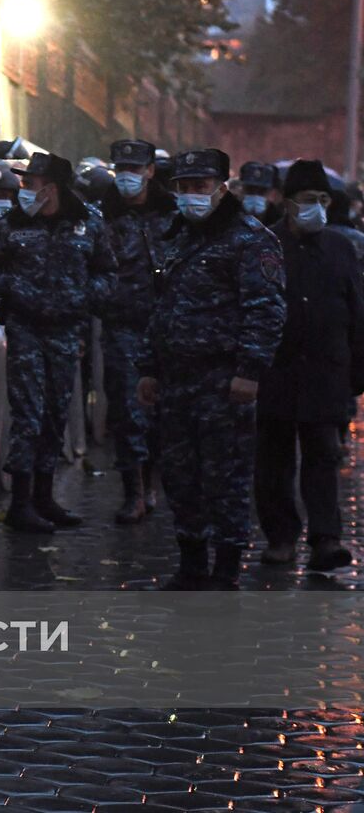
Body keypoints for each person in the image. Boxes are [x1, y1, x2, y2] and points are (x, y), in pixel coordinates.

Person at [138, 148, 287, 590]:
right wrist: (149, 367)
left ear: (223, 187)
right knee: (180, 474)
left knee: (226, 474)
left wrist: (250, 369)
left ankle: (225, 568)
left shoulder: (250, 239)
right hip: (177, 378)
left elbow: (266, 310)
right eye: (183, 187)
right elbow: (161, 306)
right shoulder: (177, 236)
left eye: (200, 186)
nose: (190, 196)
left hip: (223, 379)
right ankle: (191, 564)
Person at [0, 152, 117, 533]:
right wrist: (15, 290)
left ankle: (44, 495)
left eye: (29, 183)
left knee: (56, 411)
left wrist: (86, 296)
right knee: (29, 413)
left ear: (51, 188)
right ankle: (21, 502)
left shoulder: (88, 223)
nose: (23, 190)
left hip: (67, 331)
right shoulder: (13, 225)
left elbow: (107, 272)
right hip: (26, 330)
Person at [255, 160, 363, 572]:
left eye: (322, 200)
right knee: (273, 463)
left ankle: (326, 539)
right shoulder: (264, 245)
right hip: (277, 372)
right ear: (286, 202)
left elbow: (356, 309)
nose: (316, 207)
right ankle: (281, 537)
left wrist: (357, 371)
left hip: (326, 373)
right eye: (307, 200)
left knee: (323, 458)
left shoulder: (341, 248)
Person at [101, 138, 176, 523]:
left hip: (169, 328)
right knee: (128, 412)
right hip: (124, 327)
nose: (127, 176)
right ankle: (133, 492)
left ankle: (155, 485)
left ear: (150, 171)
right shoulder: (104, 216)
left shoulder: (172, 215)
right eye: (121, 169)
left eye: (135, 169)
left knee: (165, 414)